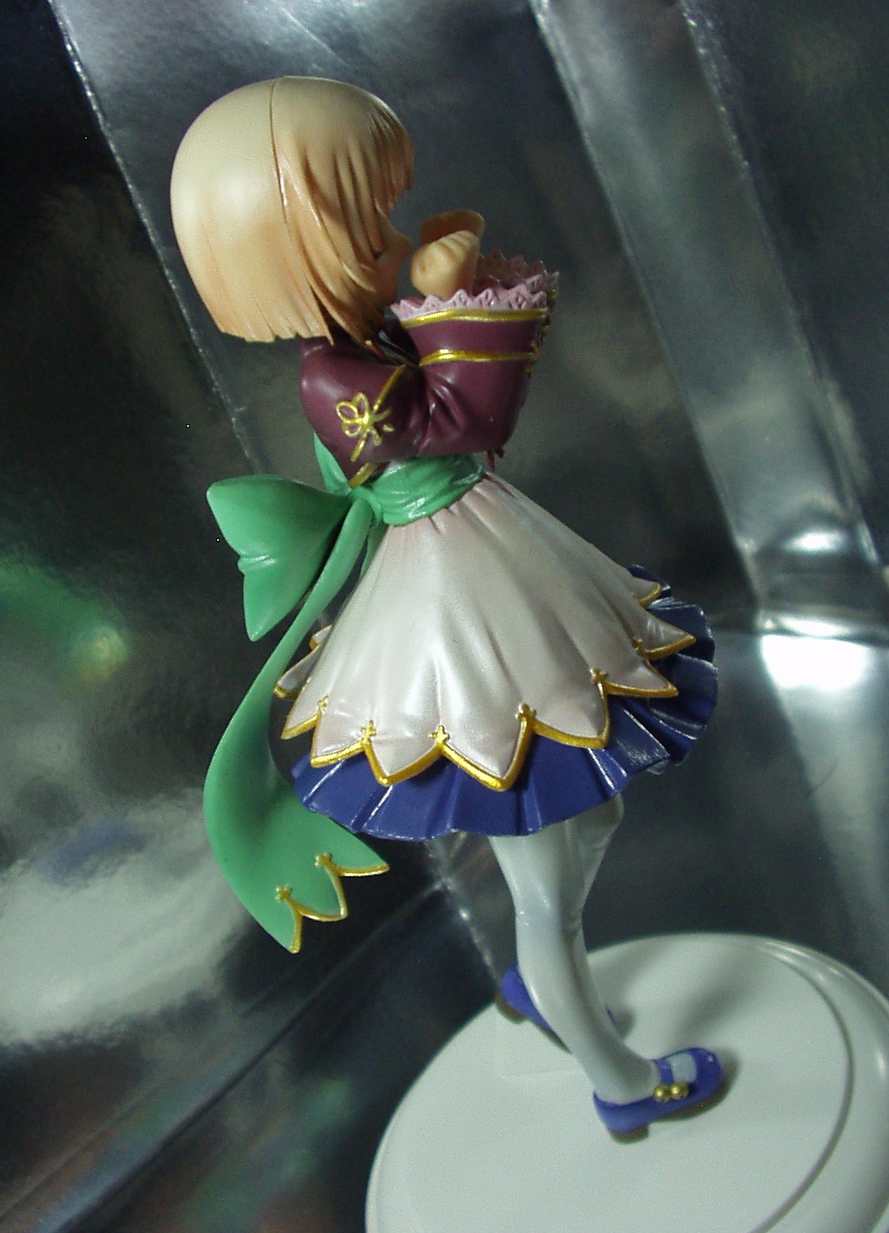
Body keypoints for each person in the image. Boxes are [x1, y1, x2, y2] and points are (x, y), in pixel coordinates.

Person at [171, 76, 722, 1134]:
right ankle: (616, 1075)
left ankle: (545, 981)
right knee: (545, 890)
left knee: (595, 809)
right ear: (299, 251)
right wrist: (453, 294)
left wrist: (438, 298)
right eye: (368, 227)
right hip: (456, 601)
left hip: (494, 558)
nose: (393, 239)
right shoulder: (333, 375)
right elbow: (464, 421)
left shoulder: (368, 339)